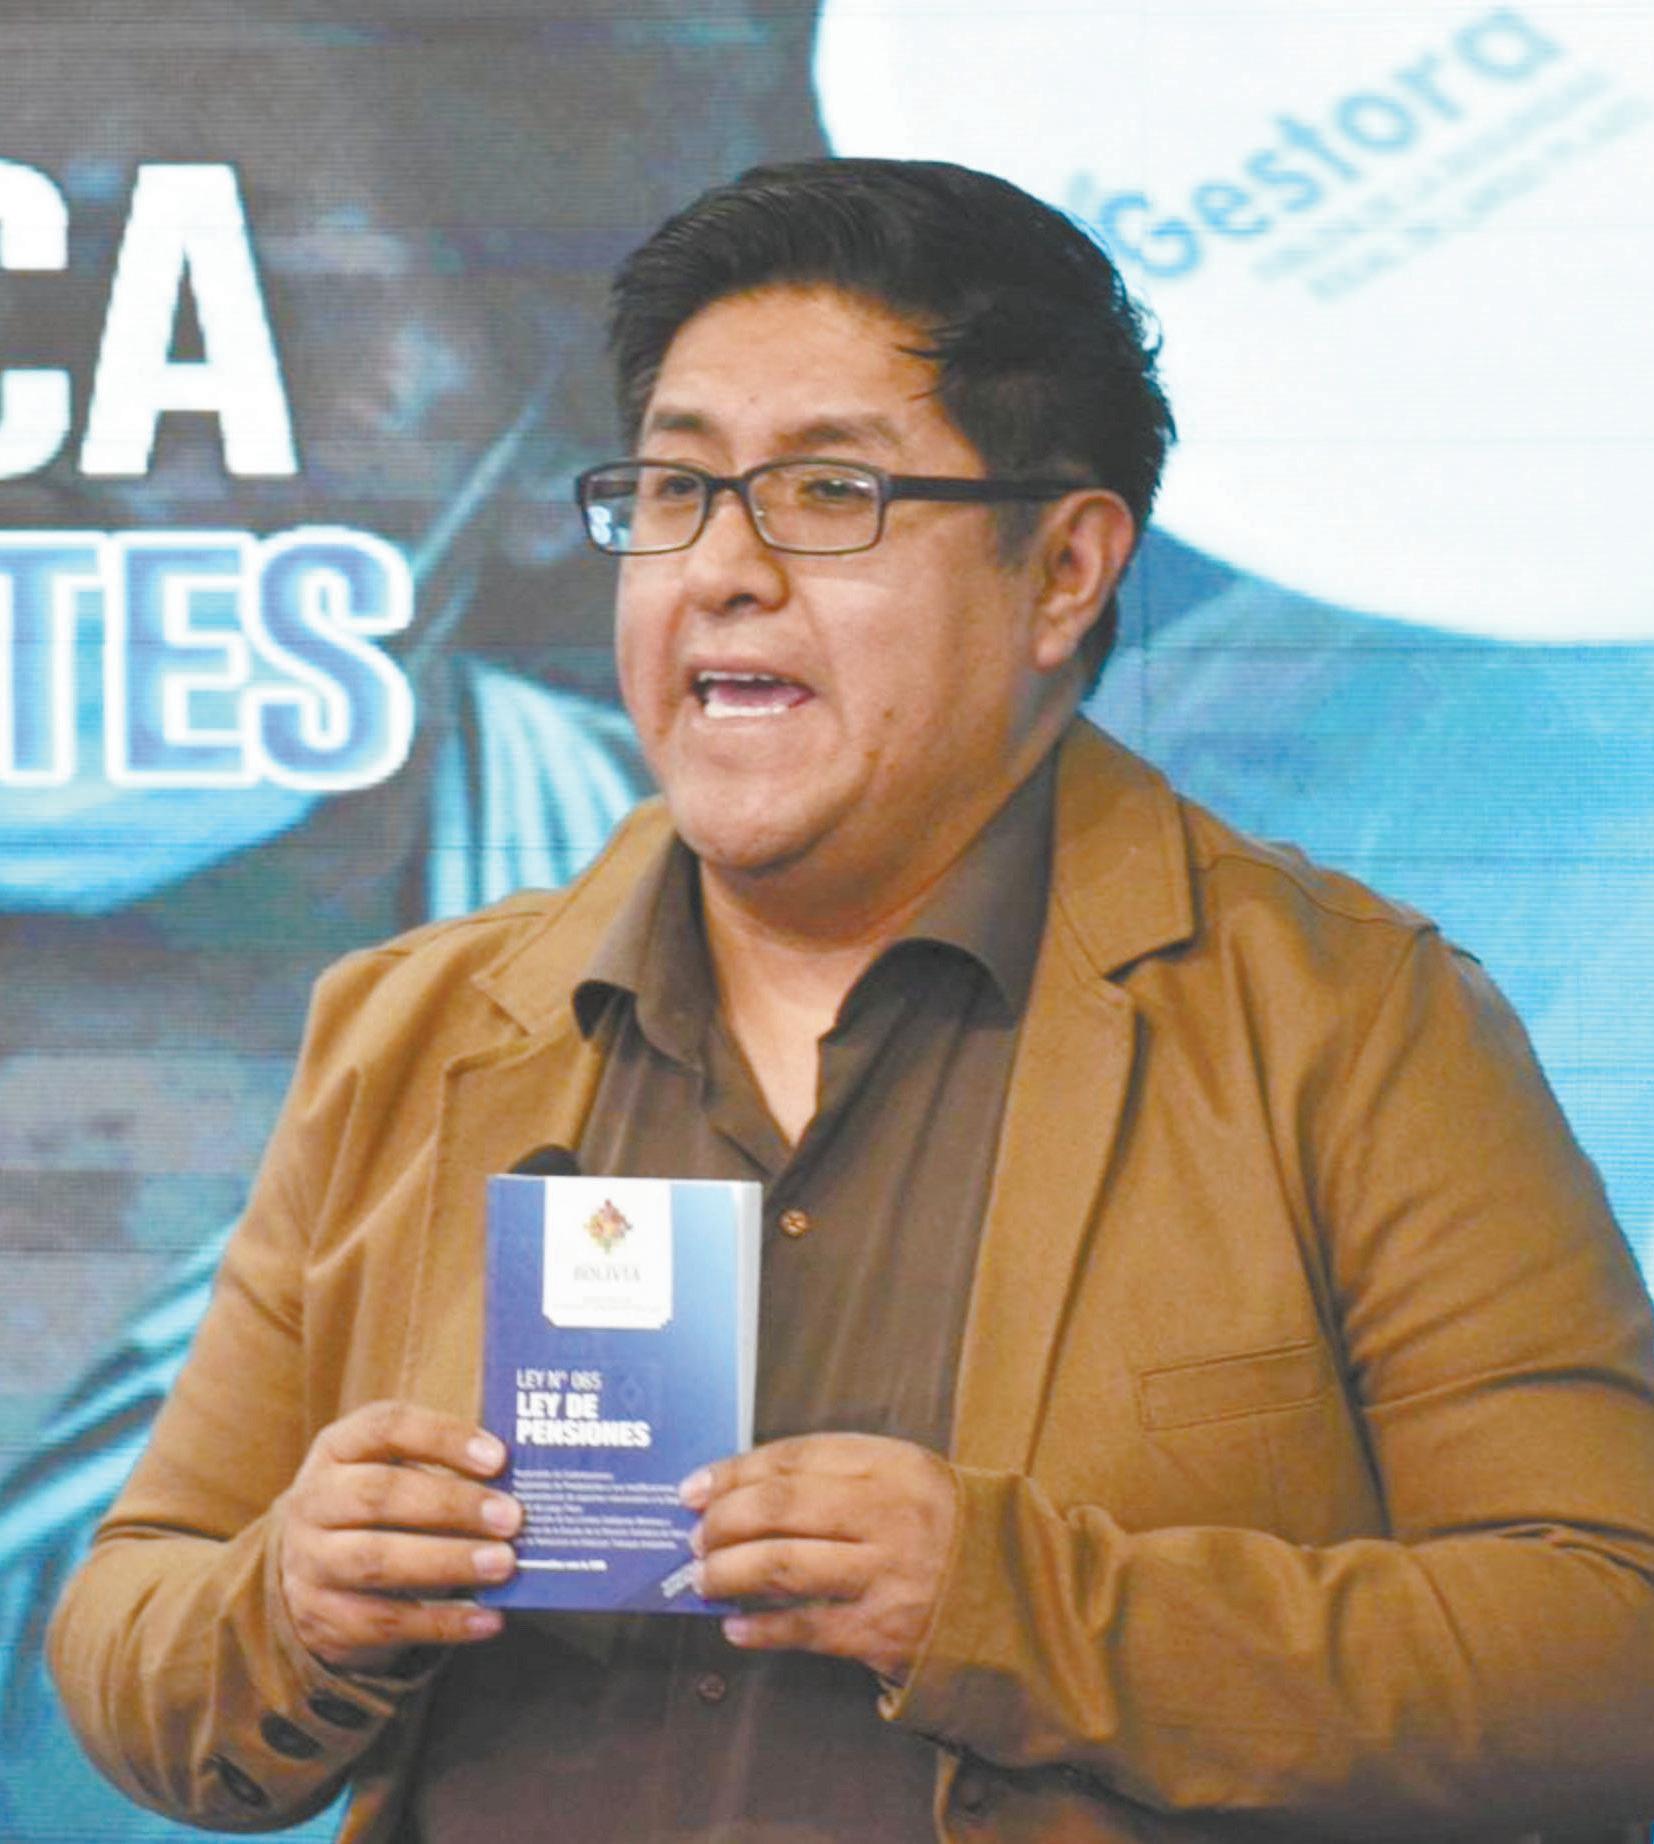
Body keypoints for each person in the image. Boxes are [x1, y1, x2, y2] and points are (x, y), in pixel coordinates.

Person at [47, 157, 1654, 1843]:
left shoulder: (1344, 1021)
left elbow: (1608, 1652)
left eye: (827, 492)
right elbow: (134, 1622)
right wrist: (291, 1599)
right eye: (674, 490)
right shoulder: (416, 1024)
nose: (719, 570)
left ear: (1063, 570)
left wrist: (1024, 1607)